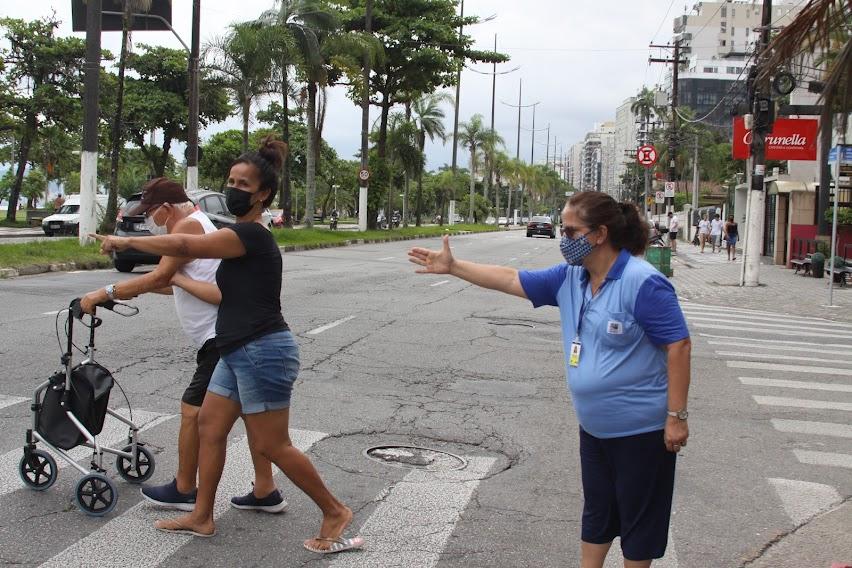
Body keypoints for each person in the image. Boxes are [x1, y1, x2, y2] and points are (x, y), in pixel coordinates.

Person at [92, 136, 361, 554]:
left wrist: (126, 242)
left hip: (263, 350)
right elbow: (202, 285)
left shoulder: (252, 236)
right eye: (231, 181)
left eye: (243, 184)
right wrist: (149, 286)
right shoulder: (236, 234)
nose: (234, 189)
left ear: (263, 194)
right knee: (209, 427)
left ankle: (334, 510)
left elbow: (184, 245)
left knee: (273, 444)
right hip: (234, 350)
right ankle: (201, 516)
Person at [408, 191, 691, 568]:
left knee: (638, 525)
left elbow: (679, 345)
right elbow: (510, 278)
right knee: (597, 514)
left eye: (570, 230)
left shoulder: (642, 282)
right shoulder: (571, 278)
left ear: (599, 234)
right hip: (594, 429)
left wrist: (676, 416)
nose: (563, 238)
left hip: (640, 431)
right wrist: (455, 266)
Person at [80, 178, 285, 514]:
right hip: (227, 335)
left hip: (218, 337)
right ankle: (265, 490)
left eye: (150, 213)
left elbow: (163, 277)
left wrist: (104, 293)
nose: (149, 220)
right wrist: (139, 289)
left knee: (192, 412)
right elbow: (176, 283)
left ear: (165, 209)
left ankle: (185, 487)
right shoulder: (199, 222)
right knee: (251, 416)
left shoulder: (189, 225)